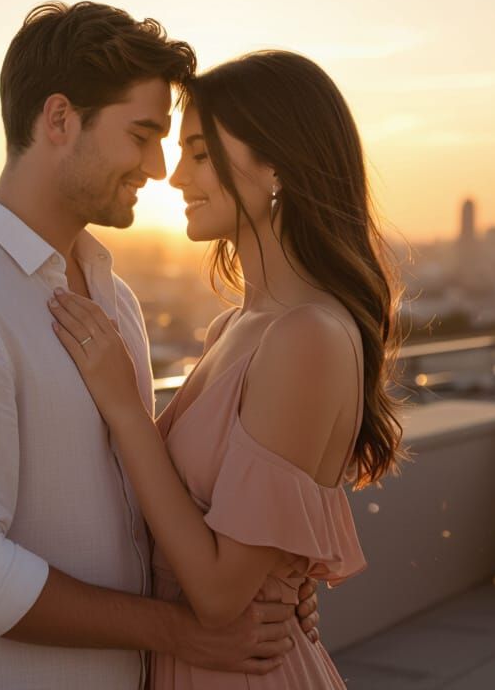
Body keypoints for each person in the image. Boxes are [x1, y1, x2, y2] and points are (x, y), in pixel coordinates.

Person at [0, 3, 317, 690]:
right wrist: (181, 630)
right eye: (142, 135)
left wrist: (270, 579)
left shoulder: (114, 299)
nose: (159, 167)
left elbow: (145, 504)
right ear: (60, 120)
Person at [47, 50, 407, 688]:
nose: (177, 176)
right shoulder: (236, 327)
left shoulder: (306, 338)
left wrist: (126, 408)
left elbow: (218, 595)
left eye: (202, 153)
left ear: (277, 166)